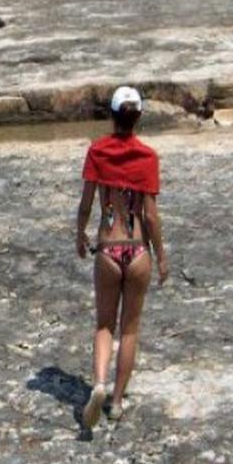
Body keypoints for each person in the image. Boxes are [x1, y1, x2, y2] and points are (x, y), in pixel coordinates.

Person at [75, 86, 169, 429]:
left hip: (109, 247)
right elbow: (151, 215)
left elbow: (86, 202)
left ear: (111, 115)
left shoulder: (98, 151)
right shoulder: (148, 157)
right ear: (139, 116)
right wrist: (161, 258)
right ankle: (115, 402)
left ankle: (98, 384)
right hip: (138, 247)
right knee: (130, 328)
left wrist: (80, 233)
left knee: (104, 323)